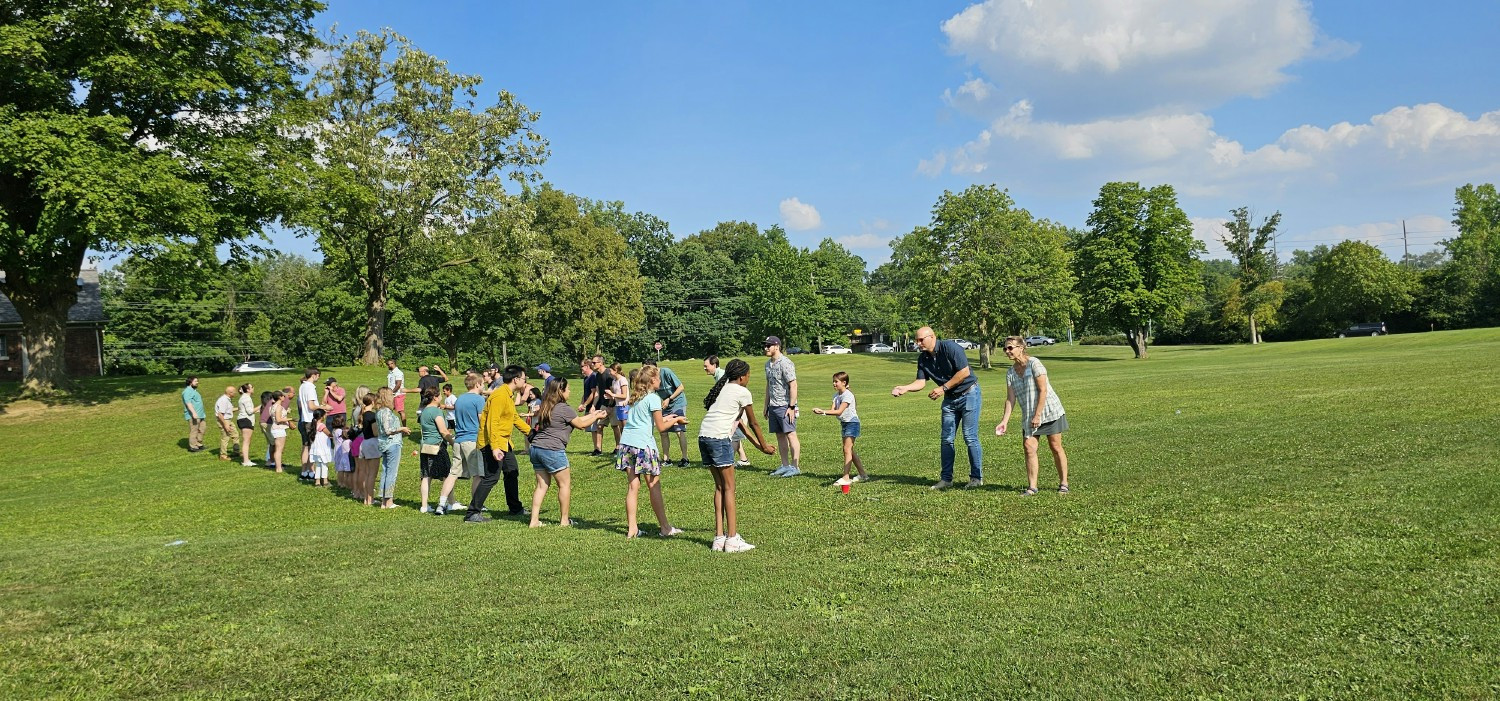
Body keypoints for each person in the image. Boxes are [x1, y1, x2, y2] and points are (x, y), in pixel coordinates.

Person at [698, 359, 776, 553]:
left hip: (704, 437)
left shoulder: (723, 389)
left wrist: (760, 447)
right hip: (718, 439)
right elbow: (755, 423)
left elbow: (740, 425)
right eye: (748, 375)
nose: (749, 378)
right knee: (730, 488)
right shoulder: (743, 392)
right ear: (742, 376)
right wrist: (765, 445)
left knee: (719, 487)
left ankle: (719, 538)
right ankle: (732, 540)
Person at [891, 326, 983, 490]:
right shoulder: (923, 358)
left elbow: (964, 372)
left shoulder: (950, 347)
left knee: (970, 437)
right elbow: (920, 382)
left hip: (969, 394)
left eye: (921, 340)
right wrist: (905, 388)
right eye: (916, 340)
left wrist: (943, 388)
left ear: (932, 337)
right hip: (950, 399)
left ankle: (976, 478)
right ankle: (946, 479)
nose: (918, 343)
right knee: (946, 439)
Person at [616, 364, 687, 538]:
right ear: (653, 380)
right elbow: (662, 427)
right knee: (653, 486)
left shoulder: (637, 397)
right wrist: (676, 419)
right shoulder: (654, 398)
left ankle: (632, 528)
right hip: (643, 446)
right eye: (659, 378)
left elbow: (649, 420)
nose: (660, 381)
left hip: (626, 444)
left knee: (633, 487)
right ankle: (665, 527)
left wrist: (667, 417)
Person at [995, 336, 1070, 496]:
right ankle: (1032, 487)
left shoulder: (1034, 363)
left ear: (1021, 348)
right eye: (1005, 349)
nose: (1007, 351)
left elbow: (1043, 390)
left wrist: (1038, 415)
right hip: (1029, 416)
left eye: (1010, 348)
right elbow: (1010, 399)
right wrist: (1004, 421)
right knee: (1029, 448)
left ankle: (1064, 483)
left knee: (1055, 447)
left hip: (1050, 412)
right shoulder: (1010, 373)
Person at [527, 378, 607, 527]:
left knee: (541, 486)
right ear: (560, 391)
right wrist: (596, 416)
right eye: (568, 389)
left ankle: (534, 520)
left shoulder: (546, 405)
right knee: (564, 485)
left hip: (536, 448)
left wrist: (595, 414)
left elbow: (576, 420)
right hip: (552, 450)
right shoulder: (563, 408)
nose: (570, 391)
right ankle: (564, 520)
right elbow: (581, 425)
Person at [468, 365, 531, 522]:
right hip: (492, 443)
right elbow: (492, 423)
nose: (526, 382)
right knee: (491, 477)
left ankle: (515, 508)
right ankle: (472, 513)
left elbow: (514, 418)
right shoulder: (499, 396)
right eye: (525, 379)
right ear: (516, 379)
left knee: (512, 471)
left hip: (505, 442)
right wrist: (495, 447)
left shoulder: (507, 395)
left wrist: (531, 433)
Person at [438, 374, 485, 516]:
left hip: (458, 440)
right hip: (472, 440)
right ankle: (476, 504)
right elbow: (482, 421)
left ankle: (441, 504)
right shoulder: (479, 399)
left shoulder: (460, 399)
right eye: (482, 384)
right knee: (478, 474)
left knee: (453, 473)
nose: (484, 387)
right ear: (477, 384)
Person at [813, 371, 867, 486]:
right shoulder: (836, 396)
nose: (834, 384)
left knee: (847, 449)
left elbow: (839, 411)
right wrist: (823, 412)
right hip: (844, 424)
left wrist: (822, 411)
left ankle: (846, 477)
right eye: (833, 381)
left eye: (836, 382)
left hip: (852, 423)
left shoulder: (848, 395)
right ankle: (863, 475)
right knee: (849, 450)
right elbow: (833, 410)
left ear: (844, 382)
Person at [762, 336, 802, 477]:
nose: (766, 348)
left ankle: (795, 467)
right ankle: (785, 465)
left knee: (791, 435)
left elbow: (793, 385)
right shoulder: (768, 364)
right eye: (765, 345)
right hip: (773, 405)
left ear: (777, 346)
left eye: (769, 345)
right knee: (779, 436)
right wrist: (766, 405)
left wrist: (791, 407)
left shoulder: (785, 363)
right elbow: (769, 386)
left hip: (785, 405)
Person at [704, 355, 752, 467]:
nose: (704, 368)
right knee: (735, 434)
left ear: (714, 365)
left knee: (734, 435)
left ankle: (727, 461)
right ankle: (743, 459)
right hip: (736, 409)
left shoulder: (722, 375)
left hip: (737, 409)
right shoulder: (720, 375)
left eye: (706, 366)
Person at [416, 388, 453, 513]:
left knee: (426, 476)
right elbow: (443, 430)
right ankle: (451, 502)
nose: (441, 397)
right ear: (435, 398)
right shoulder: (436, 411)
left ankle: (424, 506)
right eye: (440, 395)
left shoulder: (424, 411)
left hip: (425, 446)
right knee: (447, 475)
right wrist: (453, 442)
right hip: (437, 446)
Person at [374, 387, 411, 509]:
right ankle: (389, 501)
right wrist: (402, 429)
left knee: (385, 471)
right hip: (392, 444)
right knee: (391, 473)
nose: (393, 397)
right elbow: (388, 430)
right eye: (391, 395)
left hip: (383, 444)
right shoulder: (386, 412)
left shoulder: (379, 411)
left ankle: (384, 500)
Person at [647, 359, 690, 467]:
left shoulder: (666, 372)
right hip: (665, 404)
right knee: (663, 431)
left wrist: (669, 399)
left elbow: (681, 387)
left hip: (678, 402)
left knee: (679, 430)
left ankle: (685, 459)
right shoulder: (650, 379)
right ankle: (666, 459)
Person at [582, 355, 614, 456]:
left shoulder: (608, 374)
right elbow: (598, 392)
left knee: (616, 426)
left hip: (613, 404)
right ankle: (598, 449)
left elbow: (613, 391)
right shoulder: (598, 375)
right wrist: (593, 405)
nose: (592, 364)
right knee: (599, 426)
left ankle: (618, 448)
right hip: (603, 405)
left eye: (594, 363)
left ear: (601, 363)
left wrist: (610, 405)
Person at [354, 390, 380, 505]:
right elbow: (375, 432)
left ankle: (366, 498)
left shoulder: (363, 414)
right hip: (372, 443)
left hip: (364, 443)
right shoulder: (372, 416)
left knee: (367, 473)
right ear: (373, 402)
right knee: (372, 474)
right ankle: (370, 498)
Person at [296, 368, 322, 482]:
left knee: (305, 446)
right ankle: (311, 471)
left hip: (303, 420)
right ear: (314, 375)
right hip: (310, 420)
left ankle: (304, 471)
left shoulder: (302, 386)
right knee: (312, 447)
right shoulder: (310, 387)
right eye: (318, 376)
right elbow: (311, 406)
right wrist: (323, 407)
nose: (318, 378)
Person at [604, 362, 630, 454]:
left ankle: (629, 448)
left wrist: (612, 394)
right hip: (618, 406)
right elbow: (617, 396)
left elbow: (624, 395)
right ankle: (624, 449)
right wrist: (610, 397)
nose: (609, 372)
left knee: (626, 428)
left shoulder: (622, 380)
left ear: (616, 371)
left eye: (610, 370)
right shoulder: (614, 381)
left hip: (624, 406)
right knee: (621, 428)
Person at [308, 408, 332, 487]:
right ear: (322, 417)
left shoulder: (313, 425)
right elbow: (329, 434)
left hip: (316, 448)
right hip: (322, 448)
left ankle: (317, 481)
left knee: (318, 464)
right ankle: (325, 480)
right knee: (324, 464)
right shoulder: (322, 425)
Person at [213, 385, 238, 461]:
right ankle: (223, 455)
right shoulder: (223, 400)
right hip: (224, 420)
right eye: (234, 392)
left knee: (235, 435)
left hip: (228, 420)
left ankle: (236, 452)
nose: (235, 393)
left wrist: (240, 408)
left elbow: (229, 410)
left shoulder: (227, 399)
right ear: (230, 392)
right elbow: (221, 414)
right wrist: (225, 425)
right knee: (225, 437)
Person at [182, 376, 206, 453]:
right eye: (195, 381)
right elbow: (188, 403)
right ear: (190, 382)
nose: (197, 382)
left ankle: (198, 444)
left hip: (201, 415)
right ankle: (192, 446)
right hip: (194, 415)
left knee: (202, 429)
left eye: (197, 381)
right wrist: (194, 413)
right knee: (194, 430)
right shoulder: (187, 391)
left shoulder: (194, 391)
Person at [236, 382, 257, 467]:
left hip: (244, 419)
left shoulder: (245, 397)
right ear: (248, 389)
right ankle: (245, 461)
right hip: (245, 420)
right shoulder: (246, 398)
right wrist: (262, 406)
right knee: (246, 441)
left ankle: (247, 459)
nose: (253, 388)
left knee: (247, 441)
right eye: (252, 387)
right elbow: (250, 411)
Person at [268, 390, 290, 473]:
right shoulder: (279, 407)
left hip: (275, 428)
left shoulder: (272, 407)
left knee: (278, 449)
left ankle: (278, 467)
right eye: (283, 396)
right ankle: (278, 468)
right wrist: (290, 419)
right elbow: (278, 419)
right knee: (279, 449)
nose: (284, 397)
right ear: (280, 397)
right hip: (279, 429)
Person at [331, 414, 352, 490]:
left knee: (339, 469)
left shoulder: (334, 430)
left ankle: (340, 483)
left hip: (336, 450)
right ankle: (344, 483)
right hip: (341, 450)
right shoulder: (340, 431)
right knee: (344, 469)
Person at [386, 359, 407, 423]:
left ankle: (404, 427)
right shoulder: (390, 372)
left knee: (400, 411)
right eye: (388, 364)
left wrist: (392, 392)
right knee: (389, 409)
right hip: (391, 394)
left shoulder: (398, 372)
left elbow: (398, 384)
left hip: (398, 394)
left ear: (394, 363)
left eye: (391, 364)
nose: (389, 365)